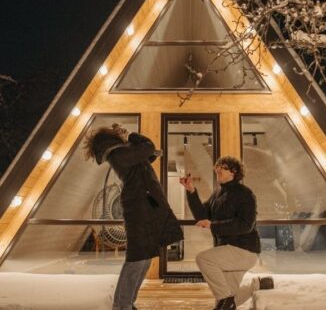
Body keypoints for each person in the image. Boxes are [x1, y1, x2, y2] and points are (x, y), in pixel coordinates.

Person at [84, 124, 183, 310]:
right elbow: (148, 146)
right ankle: (121, 305)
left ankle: (127, 303)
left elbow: (147, 156)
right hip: (139, 211)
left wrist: (143, 149)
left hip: (144, 209)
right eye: (118, 135)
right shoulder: (118, 155)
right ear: (112, 139)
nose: (122, 136)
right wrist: (131, 135)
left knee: (144, 259)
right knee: (137, 259)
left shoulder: (122, 155)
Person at [179, 156, 273, 310]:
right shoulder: (218, 194)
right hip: (229, 251)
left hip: (244, 250)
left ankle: (225, 298)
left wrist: (213, 225)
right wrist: (191, 191)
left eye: (222, 167)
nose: (218, 170)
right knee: (225, 303)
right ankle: (258, 284)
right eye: (217, 167)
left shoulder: (245, 194)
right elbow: (202, 215)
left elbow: (245, 225)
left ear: (233, 172)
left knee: (204, 259)